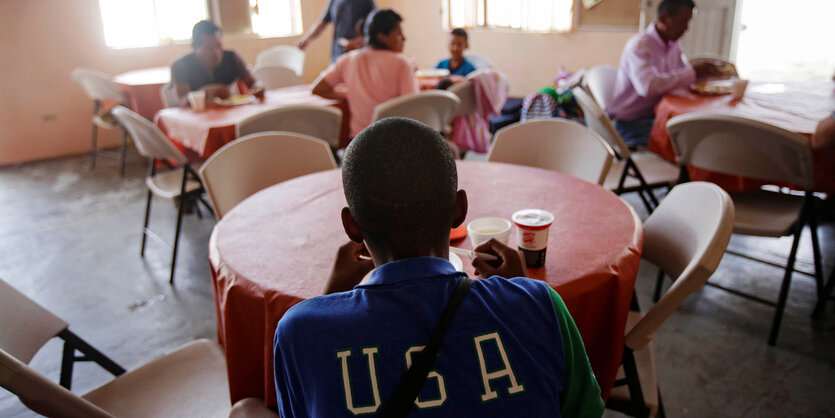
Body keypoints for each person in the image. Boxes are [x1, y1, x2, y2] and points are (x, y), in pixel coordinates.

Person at [273, 118, 605, 417]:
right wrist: (520, 289)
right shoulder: (542, 303)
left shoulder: (299, 332)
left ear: (352, 227)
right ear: (459, 210)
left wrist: (330, 297)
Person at [607, 0, 720, 146]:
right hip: (631, 123)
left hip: (656, 116)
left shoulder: (674, 45)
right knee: (692, 142)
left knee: (699, 133)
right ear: (663, 19)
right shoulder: (640, 46)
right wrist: (692, 72)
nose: (686, 28)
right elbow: (647, 87)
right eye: (683, 21)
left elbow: (682, 78)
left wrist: (704, 75)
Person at [311, 9, 419, 137]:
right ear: (382, 36)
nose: (404, 39)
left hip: (359, 142)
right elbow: (413, 106)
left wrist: (351, 94)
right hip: (392, 140)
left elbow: (318, 89)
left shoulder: (347, 60)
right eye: (398, 34)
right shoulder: (401, 63)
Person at [170, 20, 263, 104]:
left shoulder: (231, 57)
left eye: (219, 46)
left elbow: (252, 83)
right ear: (194, 47)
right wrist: (205, 92)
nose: (216, 53)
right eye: (209, 48)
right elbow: (182, 101)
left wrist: (258, 87)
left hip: (228, 114)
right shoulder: (180, 65)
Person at [296, 0, 376, 62]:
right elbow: (323, 22)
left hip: (357, 54)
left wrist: (358, 41)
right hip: (337, 53)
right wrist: (307, 39)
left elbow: (375, 27)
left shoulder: (366, 1)